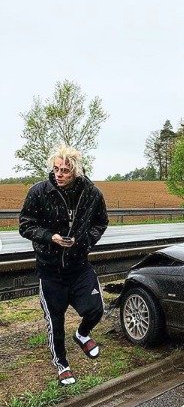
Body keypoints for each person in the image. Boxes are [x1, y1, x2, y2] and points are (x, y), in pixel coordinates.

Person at [19, 145, 109, 386]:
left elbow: (101, 222)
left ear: (76, 172)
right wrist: (51, 237)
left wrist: (85, 241)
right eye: (56, 169)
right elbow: (25, 225)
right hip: (50, 270)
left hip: (79, 265)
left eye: (65, 170)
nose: (59, 174)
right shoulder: (39, 192)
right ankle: (62, 365)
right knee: (55, 321)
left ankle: (82, 334)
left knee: (96, 309)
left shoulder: (91, 194)